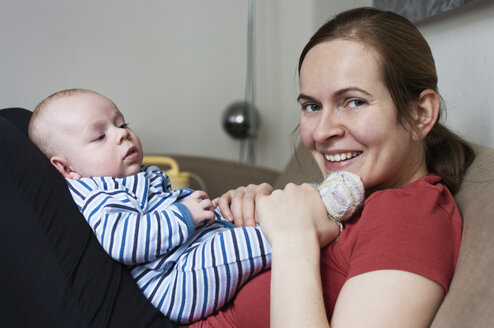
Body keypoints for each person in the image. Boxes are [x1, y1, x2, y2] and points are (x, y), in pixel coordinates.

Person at [190, 7, 475, 328]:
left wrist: (293, 237)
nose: (322, 131)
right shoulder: (346, 200)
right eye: (312, 106)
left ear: (421, 114)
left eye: (354, 101)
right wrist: (255, 215)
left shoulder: (409, 216)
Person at [27, 88, 363, 324]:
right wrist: (184, 215)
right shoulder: (98, 194)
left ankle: (319, 197)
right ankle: (316, 218)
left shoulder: (131, 177)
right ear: (67, 168)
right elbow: (125, 242)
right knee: (250, 240)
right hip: (174, 281)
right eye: (100, 136)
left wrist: (199, 208)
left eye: (121, 123)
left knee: (242, 215)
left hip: (188, 251)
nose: (122, 135)